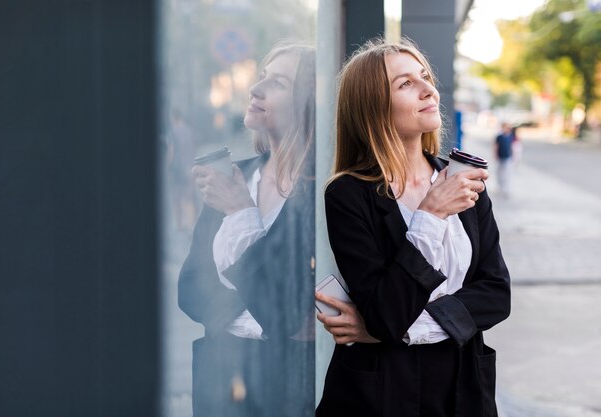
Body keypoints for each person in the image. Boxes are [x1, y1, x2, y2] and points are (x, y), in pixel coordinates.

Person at [315, 38, 511, 417]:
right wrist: (431, 215)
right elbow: (387, 313)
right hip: (380, 393)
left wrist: (401, 331)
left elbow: (496, 293)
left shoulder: (463, 180)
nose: (428, 90)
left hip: (463, 388)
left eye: (424, 76)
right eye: (405, 84)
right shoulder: (348, 194)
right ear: (373, 106)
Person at [178, 43, 316, 417]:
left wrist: (241, 212)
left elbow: (288, 309)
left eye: (279, 83)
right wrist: (267, 315)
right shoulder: (238, 174)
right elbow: (190, 291)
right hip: (221, 374)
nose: (257, 90)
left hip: (291, 381)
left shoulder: (323, 192)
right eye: (262, 77)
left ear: (309, 104)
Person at [495, 122, 514, 197]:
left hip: (507, 157)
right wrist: (495, 155)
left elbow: (511, 146)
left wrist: (513, 155)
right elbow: (496, 146)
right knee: (499, 173)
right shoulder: (499, 137)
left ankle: (506, 188)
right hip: (500, 157)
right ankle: (500, 187)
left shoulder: (510, 136)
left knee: (507, 174)